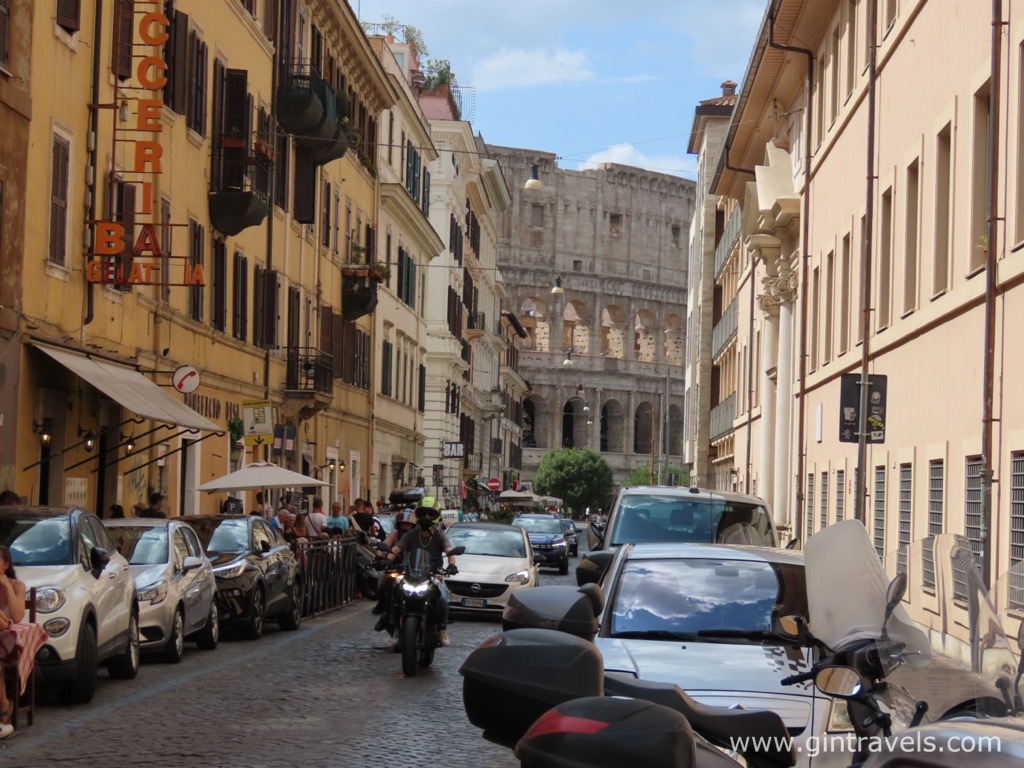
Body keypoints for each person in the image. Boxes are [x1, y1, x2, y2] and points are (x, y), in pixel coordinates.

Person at [384, 505, 459, 647]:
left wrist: (452, 564)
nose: (426, 517)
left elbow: (449, 551)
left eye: (430, 515)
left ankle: (442, 629)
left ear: (434, 518)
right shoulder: (411, 534)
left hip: (433, 575)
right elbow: (396, 548)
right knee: (396, 595)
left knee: (442, 598)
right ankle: (397, 630)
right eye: (423, 514)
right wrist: (387, 560)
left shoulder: (440, 535)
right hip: (411, 574)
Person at [372, 509, 417, 632]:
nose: (404, 527)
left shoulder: (416, 536)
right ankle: (384, 612)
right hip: (396, 567)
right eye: (402, 524)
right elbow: (385, 546)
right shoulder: (395, 534)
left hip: (415, 569)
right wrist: (379, 558)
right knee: (383, 579)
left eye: (407, 524)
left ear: (413, 525)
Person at [0, 545, 27, 737]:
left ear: (5, 565)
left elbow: (16, 617)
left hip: (10, 646)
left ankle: (4, 706)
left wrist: (7, 586)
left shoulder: (17, 586)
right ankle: (4, 705)